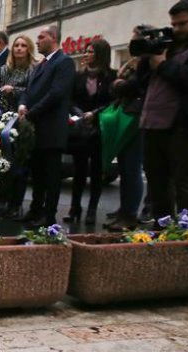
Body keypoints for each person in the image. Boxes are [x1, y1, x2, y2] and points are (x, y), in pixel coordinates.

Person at [138, 0, 188, 224]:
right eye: (174, 24)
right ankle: (162, 229)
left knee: (185, 181)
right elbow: (143, 81)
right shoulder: (170, 43)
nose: (177, 29)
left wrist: (162, 64)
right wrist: (147, 53)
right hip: (153, 123)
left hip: (185, 125)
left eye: (183, 24)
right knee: (158, 183)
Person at [18, 25, 77, 227]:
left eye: (41, 37)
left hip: (51, 129)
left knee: (51, 176)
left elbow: (57, 93)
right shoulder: (40, 65)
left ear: (53, 38)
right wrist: (23, 105)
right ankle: (35, 209)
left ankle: (48, 214)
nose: (37, 41)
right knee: (37, 174)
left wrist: (32, 113)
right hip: (36, 129)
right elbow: (28, 89)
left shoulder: (64, 62)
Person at [66, 38, 116, 225]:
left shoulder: (111, 76)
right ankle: (74, 207)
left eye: (91, 51)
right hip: (80, 129)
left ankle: (92, 210)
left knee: (96, 172)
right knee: (78, 171)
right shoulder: (78, 77)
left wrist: (95, 113)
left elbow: (113, 102)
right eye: (86, 51)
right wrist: (79, 113)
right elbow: (70, 100)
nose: (86, 55)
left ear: (101, 55)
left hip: (100, 128)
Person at [105, 37, 148, 231]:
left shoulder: (146, 65)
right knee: (125, 167)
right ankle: (124, 209)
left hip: (136, 121)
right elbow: (115, 87)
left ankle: (130, 213)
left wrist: (121, 83)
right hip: (126, 116)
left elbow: (132, 87)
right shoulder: (133, 64)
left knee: (132, 168)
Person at [0, 35, 37, 219]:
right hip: (5, 118)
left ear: (29, 49)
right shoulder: (4, 69)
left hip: (24, 121)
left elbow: (31, 93)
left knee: (20, 164)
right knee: (3, 162)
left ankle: (15, 203)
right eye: (16, 45)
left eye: (23, 45)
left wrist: (15, 91)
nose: (19, 48)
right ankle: (1, 199)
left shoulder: (33, 70)